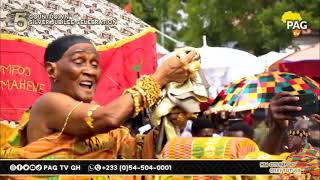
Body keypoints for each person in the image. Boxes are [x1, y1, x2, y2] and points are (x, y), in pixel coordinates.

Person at [1, 35, 198, 159]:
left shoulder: (96, 110)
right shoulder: (49, 103)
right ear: (52, 70)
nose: (90, 71)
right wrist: (160, 77)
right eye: (79, 62)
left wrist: (169, 121)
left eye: (95, 64)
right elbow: (109, 117)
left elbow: (137, 155)